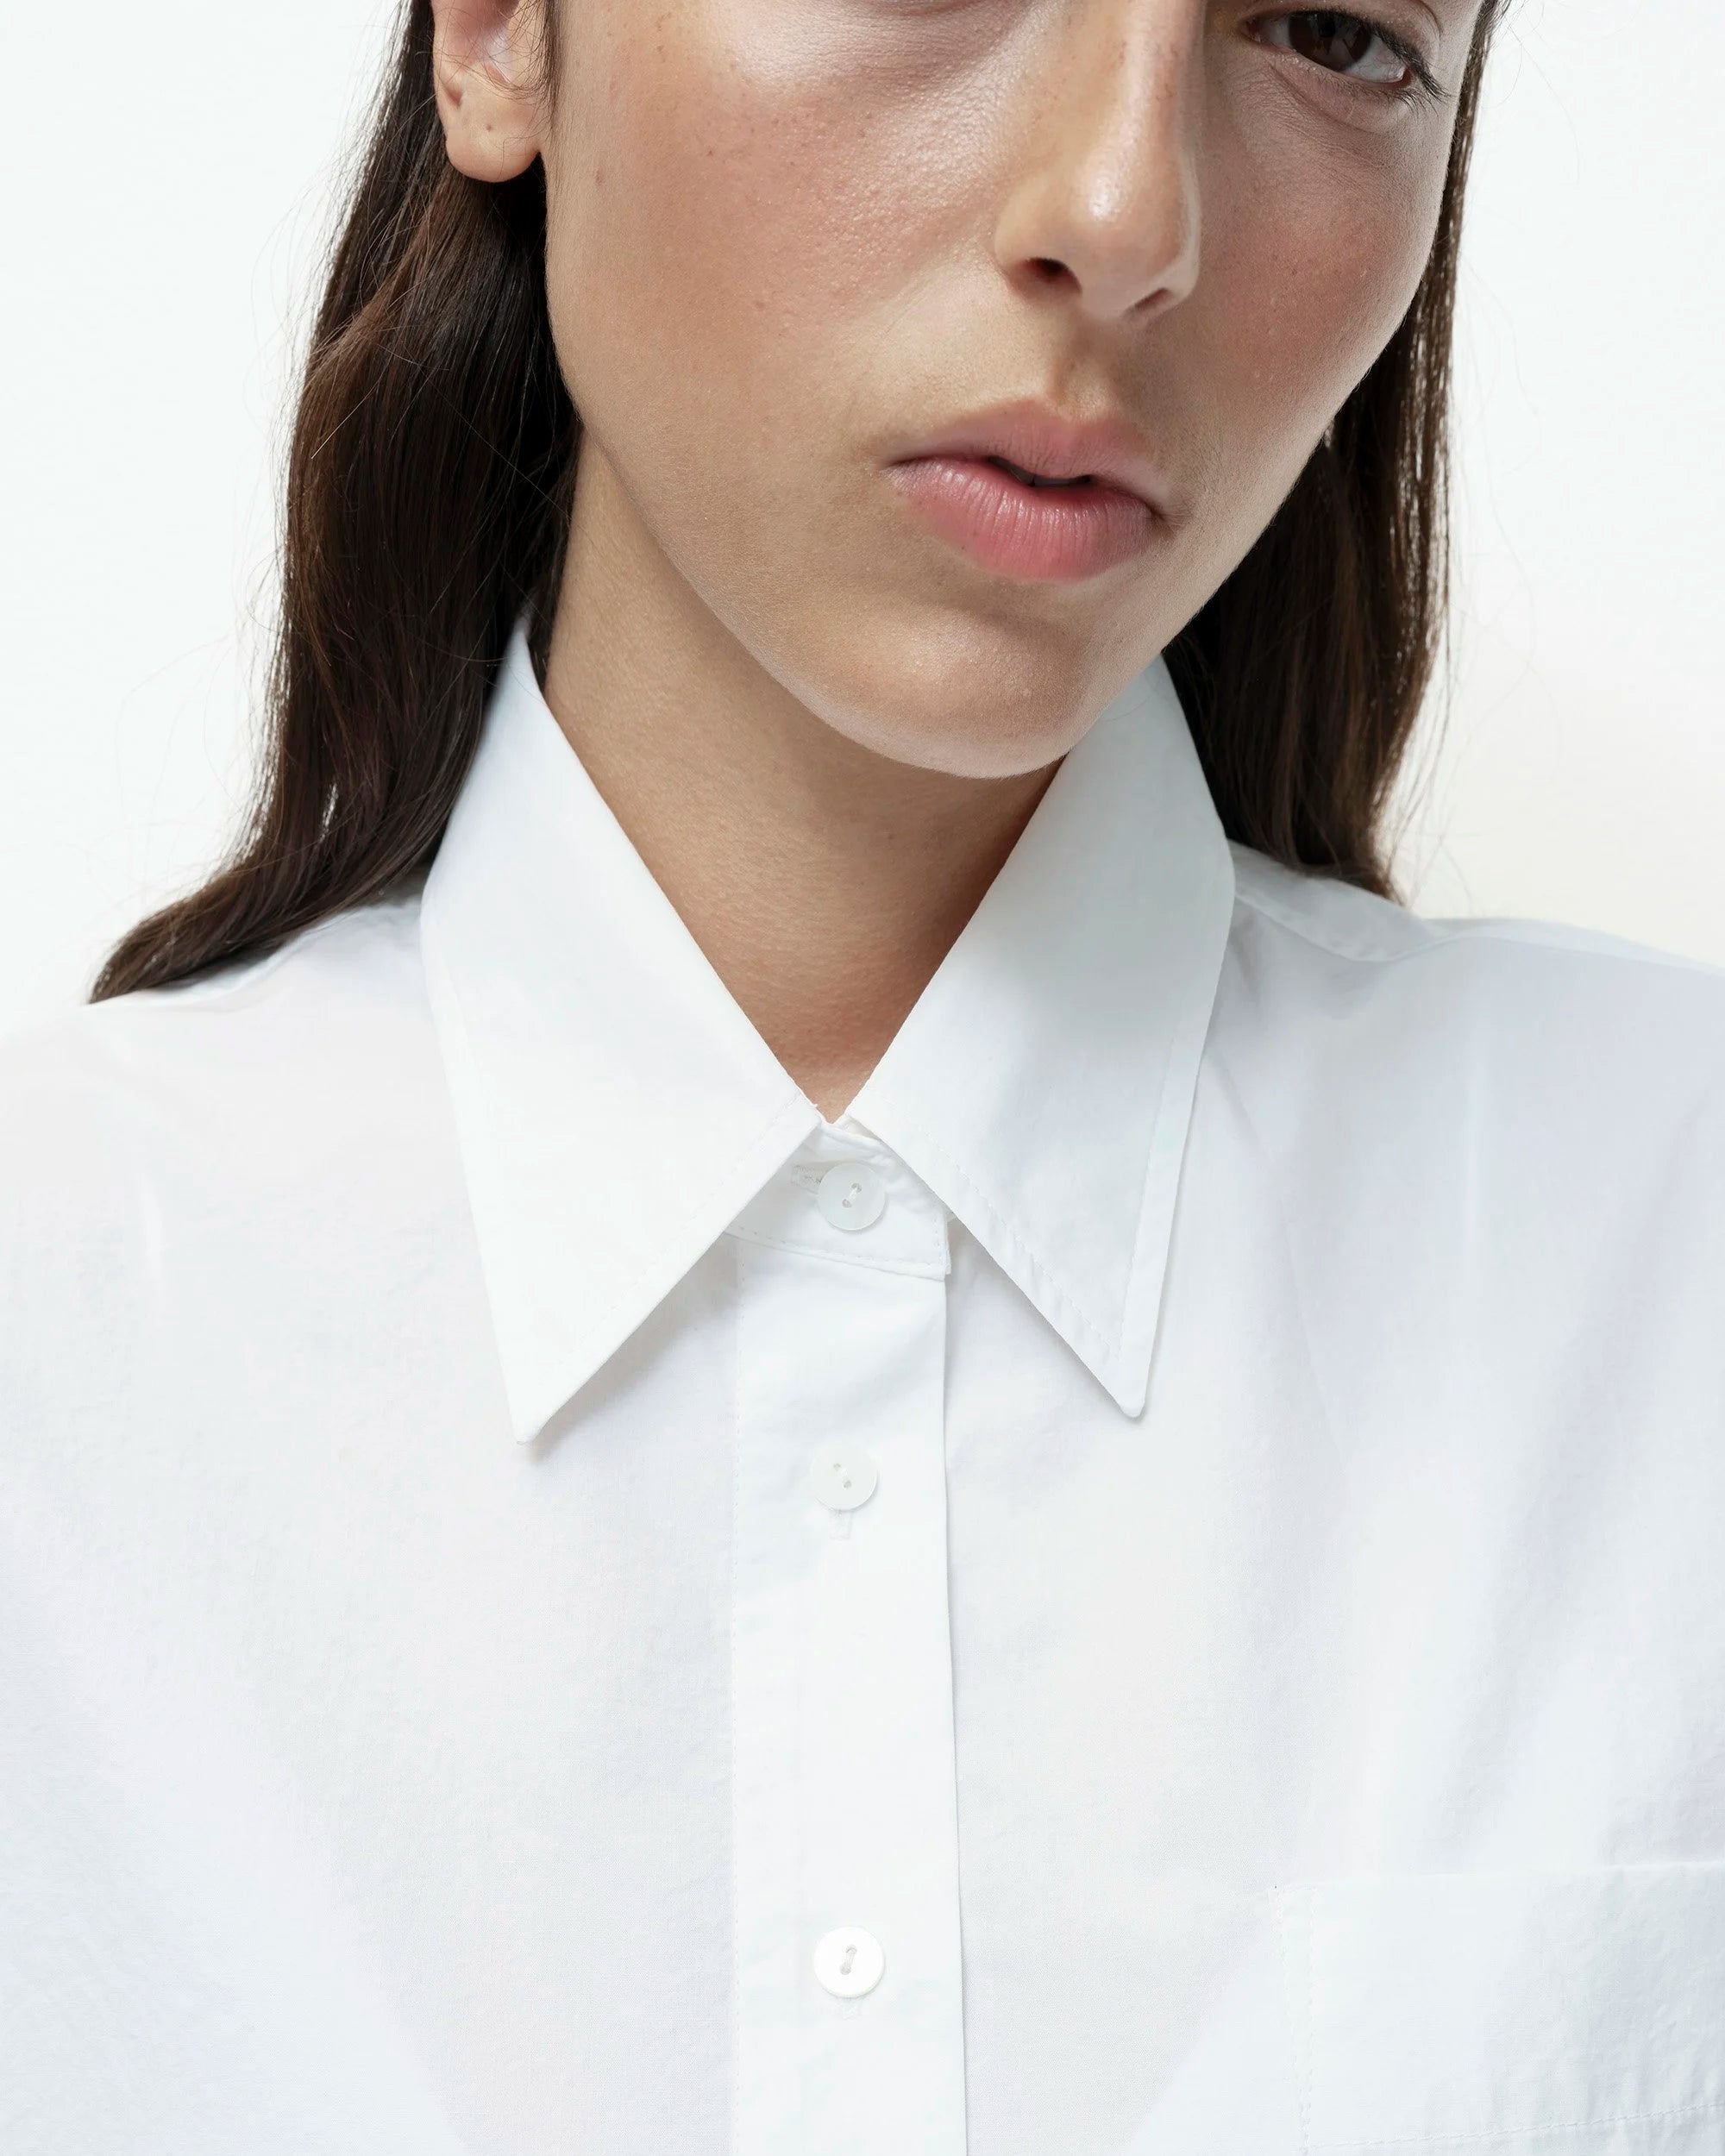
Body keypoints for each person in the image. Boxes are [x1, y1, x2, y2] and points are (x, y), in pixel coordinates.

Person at [3, 1, 1722, 2150]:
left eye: (1329, 33)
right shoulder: (52, 1361)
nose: (1122, 213)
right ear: (502, 36)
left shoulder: (1675, 1275)